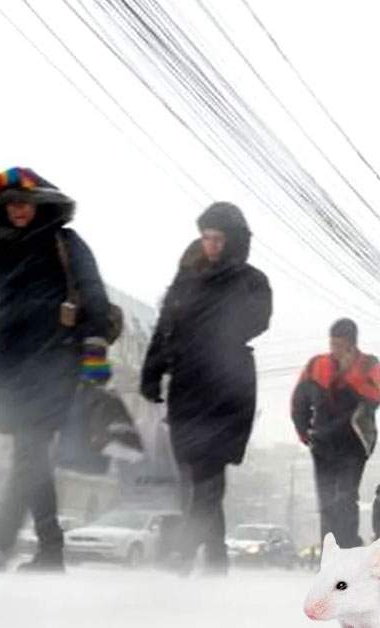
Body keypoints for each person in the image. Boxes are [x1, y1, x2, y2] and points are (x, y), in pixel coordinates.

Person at [0, 167, 112, 573]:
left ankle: (2, 540)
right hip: (13, 367)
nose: (18, 212)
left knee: (28, 452)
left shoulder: (64, 241)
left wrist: (95, 352)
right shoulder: (6, 248)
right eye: (9, 206)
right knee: (31, 457)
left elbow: (93, 291)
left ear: (40, 204)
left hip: (54, 360)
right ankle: (49, 551)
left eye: (25, 203)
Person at [140, 202, 272, 576]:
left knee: (210, 475)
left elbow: (258, 321)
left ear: (233, 241)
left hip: (229, 388)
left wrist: (215, 322)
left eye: (218, 238)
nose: (211, 245)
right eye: (206, 238)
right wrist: (152, 373)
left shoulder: (252, 281)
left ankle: (184, 550)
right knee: (190, 478)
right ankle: (215, 563)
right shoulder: (185, 281)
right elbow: (165, 329)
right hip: (187, 387)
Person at [291, 318, 380, 549]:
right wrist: (305, 433)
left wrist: (350, 375)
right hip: (322, 443)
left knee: (345, 498)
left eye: (340, 345)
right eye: (332, 344)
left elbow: (375, 397)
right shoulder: (316, 365)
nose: (335, 350)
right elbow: (298, 402)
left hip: (354, 444)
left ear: (352, 345)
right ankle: (330, 554)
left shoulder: (368, 365)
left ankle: (347, 549)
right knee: (326, 503)